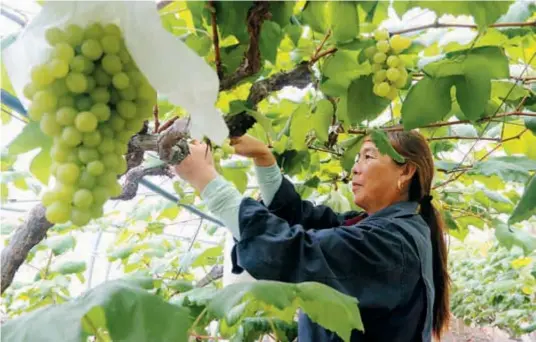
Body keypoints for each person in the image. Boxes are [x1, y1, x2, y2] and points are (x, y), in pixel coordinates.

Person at [173, 130, 450, 342]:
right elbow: (311, 222)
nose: (355, 168)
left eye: (368, 156)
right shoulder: (391, 228)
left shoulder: (392, 244)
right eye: (357, 158)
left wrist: (208, 182)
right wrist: (265, 160)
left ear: (406, 170)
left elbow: (296, 250)